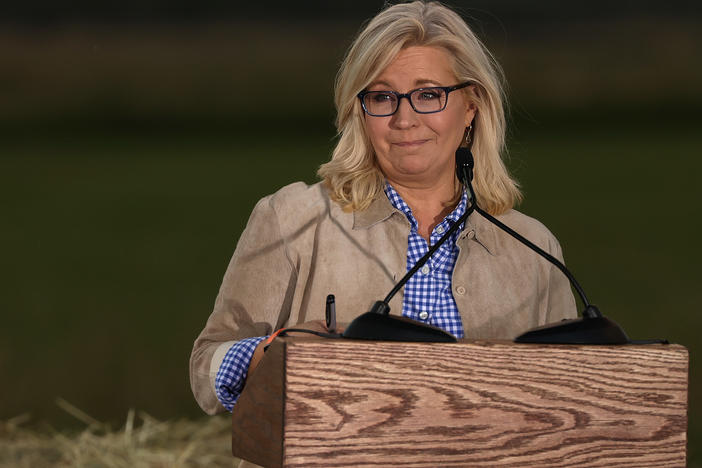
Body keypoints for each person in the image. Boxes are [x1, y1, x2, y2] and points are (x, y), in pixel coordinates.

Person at [190, 0, 577, 418]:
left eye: (429, 94)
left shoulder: (534, 249)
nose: (404, 118)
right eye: (382, 96)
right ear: (360, 109)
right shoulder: (293, 219)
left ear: (471, 106)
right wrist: (271, 351)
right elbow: (206, 371)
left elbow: (570, 397)